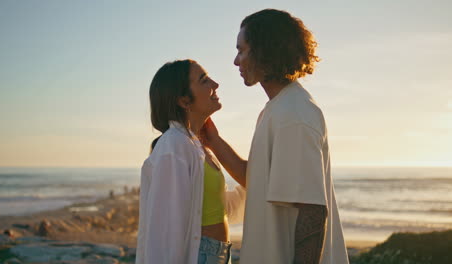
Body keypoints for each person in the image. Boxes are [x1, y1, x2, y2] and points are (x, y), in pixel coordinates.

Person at [201, 9, 349, 263]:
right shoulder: (278, 108)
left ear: (265, 51)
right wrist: (213, 141)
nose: (236, 61)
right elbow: (257, 179)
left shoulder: (293, 114)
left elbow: (313, 211)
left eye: (242, 50)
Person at [135, 59, 246, 264]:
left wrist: (257, 179)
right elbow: (166, 229)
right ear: (184, 101)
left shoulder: (197, 146)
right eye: (204, 80)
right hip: (200, 255)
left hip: (218, 254)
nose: (215, 84)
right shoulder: (174, 146)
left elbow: (219, 209)